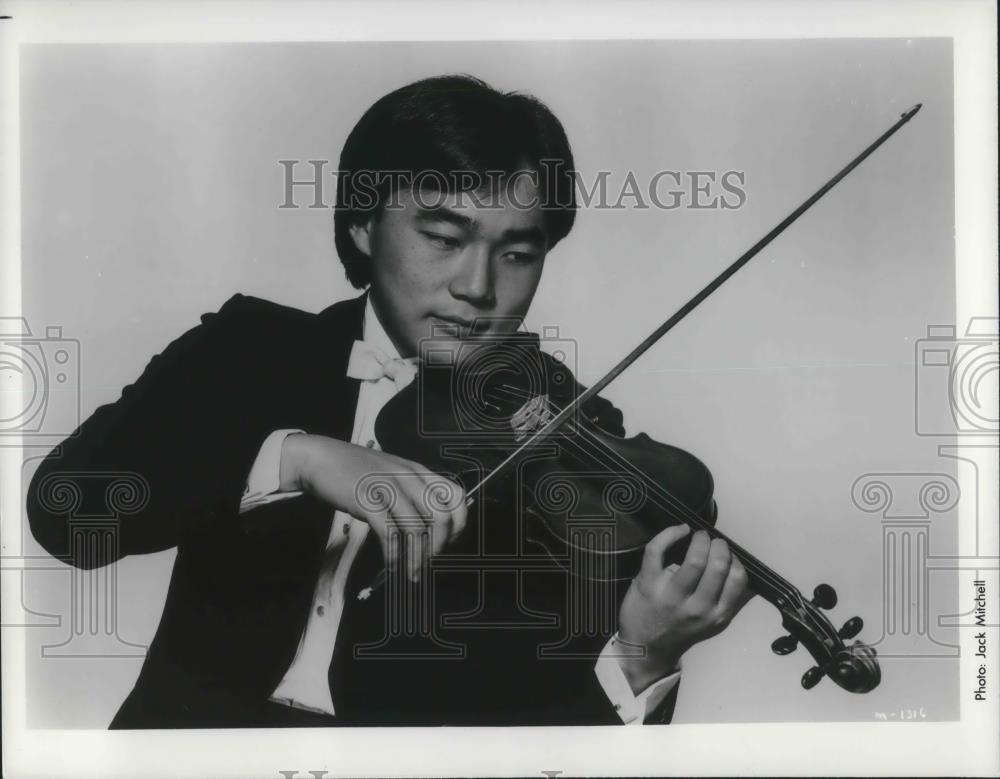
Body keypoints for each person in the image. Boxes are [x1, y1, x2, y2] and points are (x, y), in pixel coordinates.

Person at [26, 74, 751, 728]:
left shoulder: (564, 432)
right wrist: (297, 459)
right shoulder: (247, 348)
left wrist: (640, 659)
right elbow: (66, 508)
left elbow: (534, 740)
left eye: (519, 253)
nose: (478, 286)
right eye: (442, 237)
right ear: (363, 224)